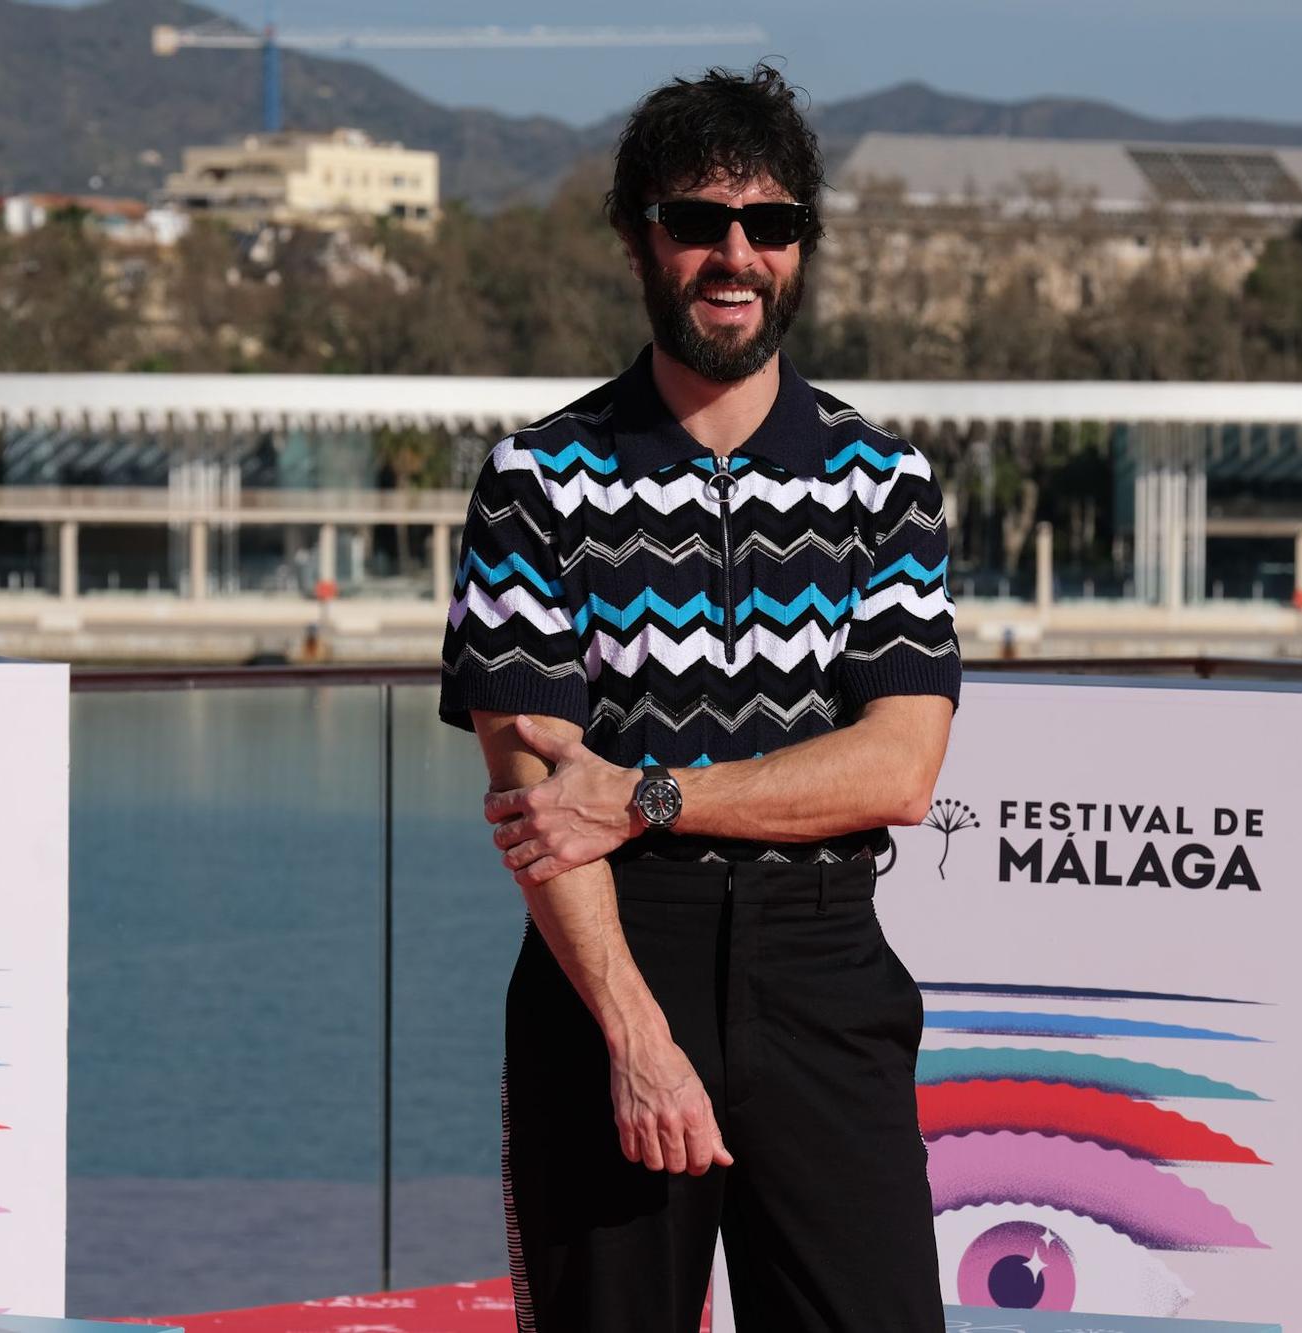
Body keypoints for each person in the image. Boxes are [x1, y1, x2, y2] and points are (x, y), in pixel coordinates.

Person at [438, 64, 959, 1333]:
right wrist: (633, 1033)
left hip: (827, 974)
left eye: (770, 225)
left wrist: (649, 791)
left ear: (799, 249)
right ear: (637, 240)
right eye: (697, 221)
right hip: (611, 969)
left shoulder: (883, 480)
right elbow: (536, 796)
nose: (736, 254)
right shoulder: (535, 482)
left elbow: (896, 768)